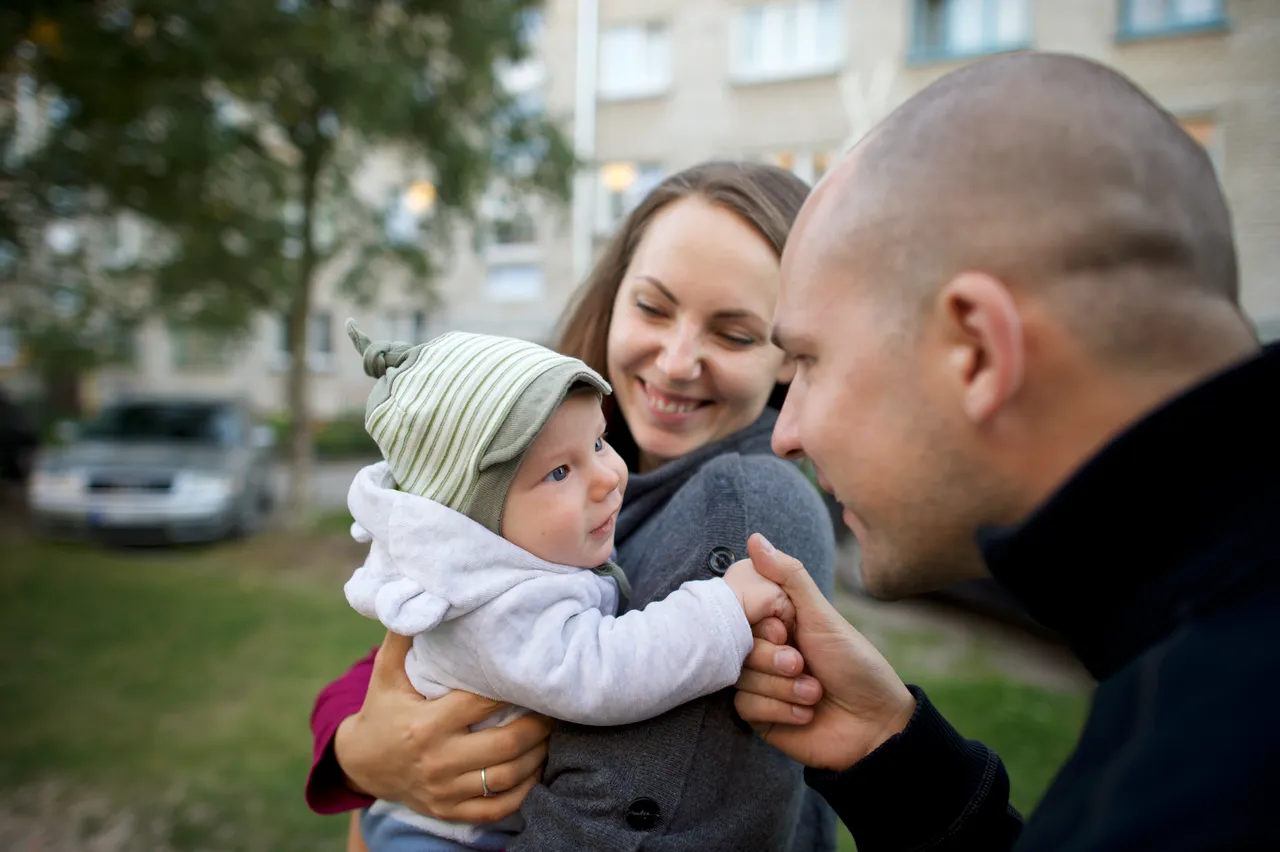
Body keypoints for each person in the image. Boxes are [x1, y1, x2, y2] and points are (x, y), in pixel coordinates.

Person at [733, 51, 1280, 850]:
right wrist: (890, 752)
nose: (787, 431)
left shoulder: (1195, 782)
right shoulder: (1211, 664)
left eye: (809, 362)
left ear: (978, 352)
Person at [307, 161, 840, 851]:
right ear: (614, 300)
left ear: (791, 352)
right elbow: (396, 656)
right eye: (652, 307)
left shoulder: (742, 509)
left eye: (734, 334)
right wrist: (362, 754)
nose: (677, 361)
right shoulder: (541, 451)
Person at [340, 321, 795, 851]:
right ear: (478, 518)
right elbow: (604, 670)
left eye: (599, 442)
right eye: (559, 472)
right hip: (432, 835)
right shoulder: (496, 609)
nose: (606, 476)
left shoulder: (516, 556)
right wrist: (722, 608)